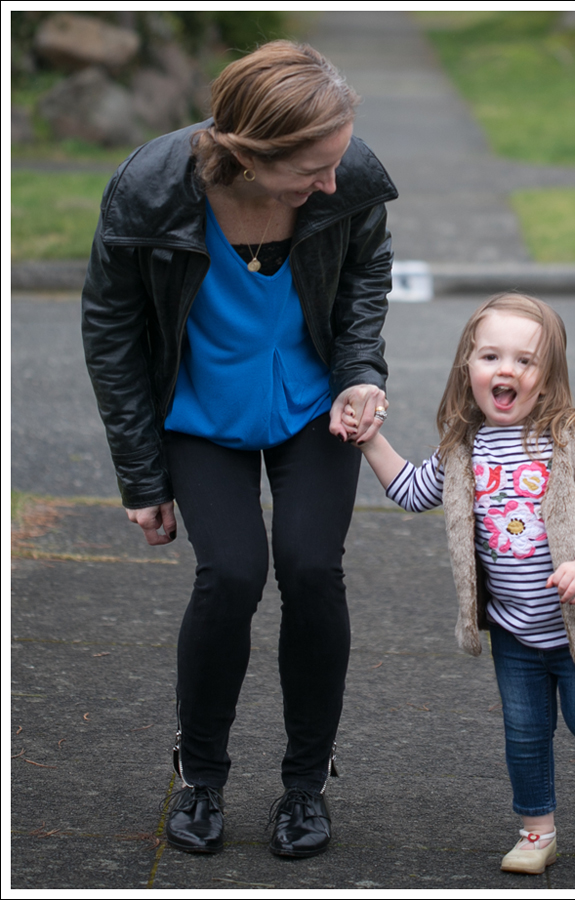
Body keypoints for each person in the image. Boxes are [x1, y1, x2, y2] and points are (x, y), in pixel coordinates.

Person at [81, 41, 398, 858]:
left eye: (337, 162)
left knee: (311, 570)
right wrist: (141, 477)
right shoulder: (148, 190)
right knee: (230, 576)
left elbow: (366, 274)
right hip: (198, 413)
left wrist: (360, 374)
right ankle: (202, 776)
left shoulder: (349, 174)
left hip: (314, 409)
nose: (333, 183)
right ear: (251, 154)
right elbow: (112, 334)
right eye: (313, 170)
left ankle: (306, 784)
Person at [342, 293, 575, 874]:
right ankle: (537, 832)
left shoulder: (572, 442)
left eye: (524, 360)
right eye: (491, 356)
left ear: (548, 377)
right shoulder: (462, 447)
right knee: (525, 733)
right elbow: (411, 490)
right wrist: (369, 440)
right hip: (514, 631)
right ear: (468, 367)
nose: (505, 369)